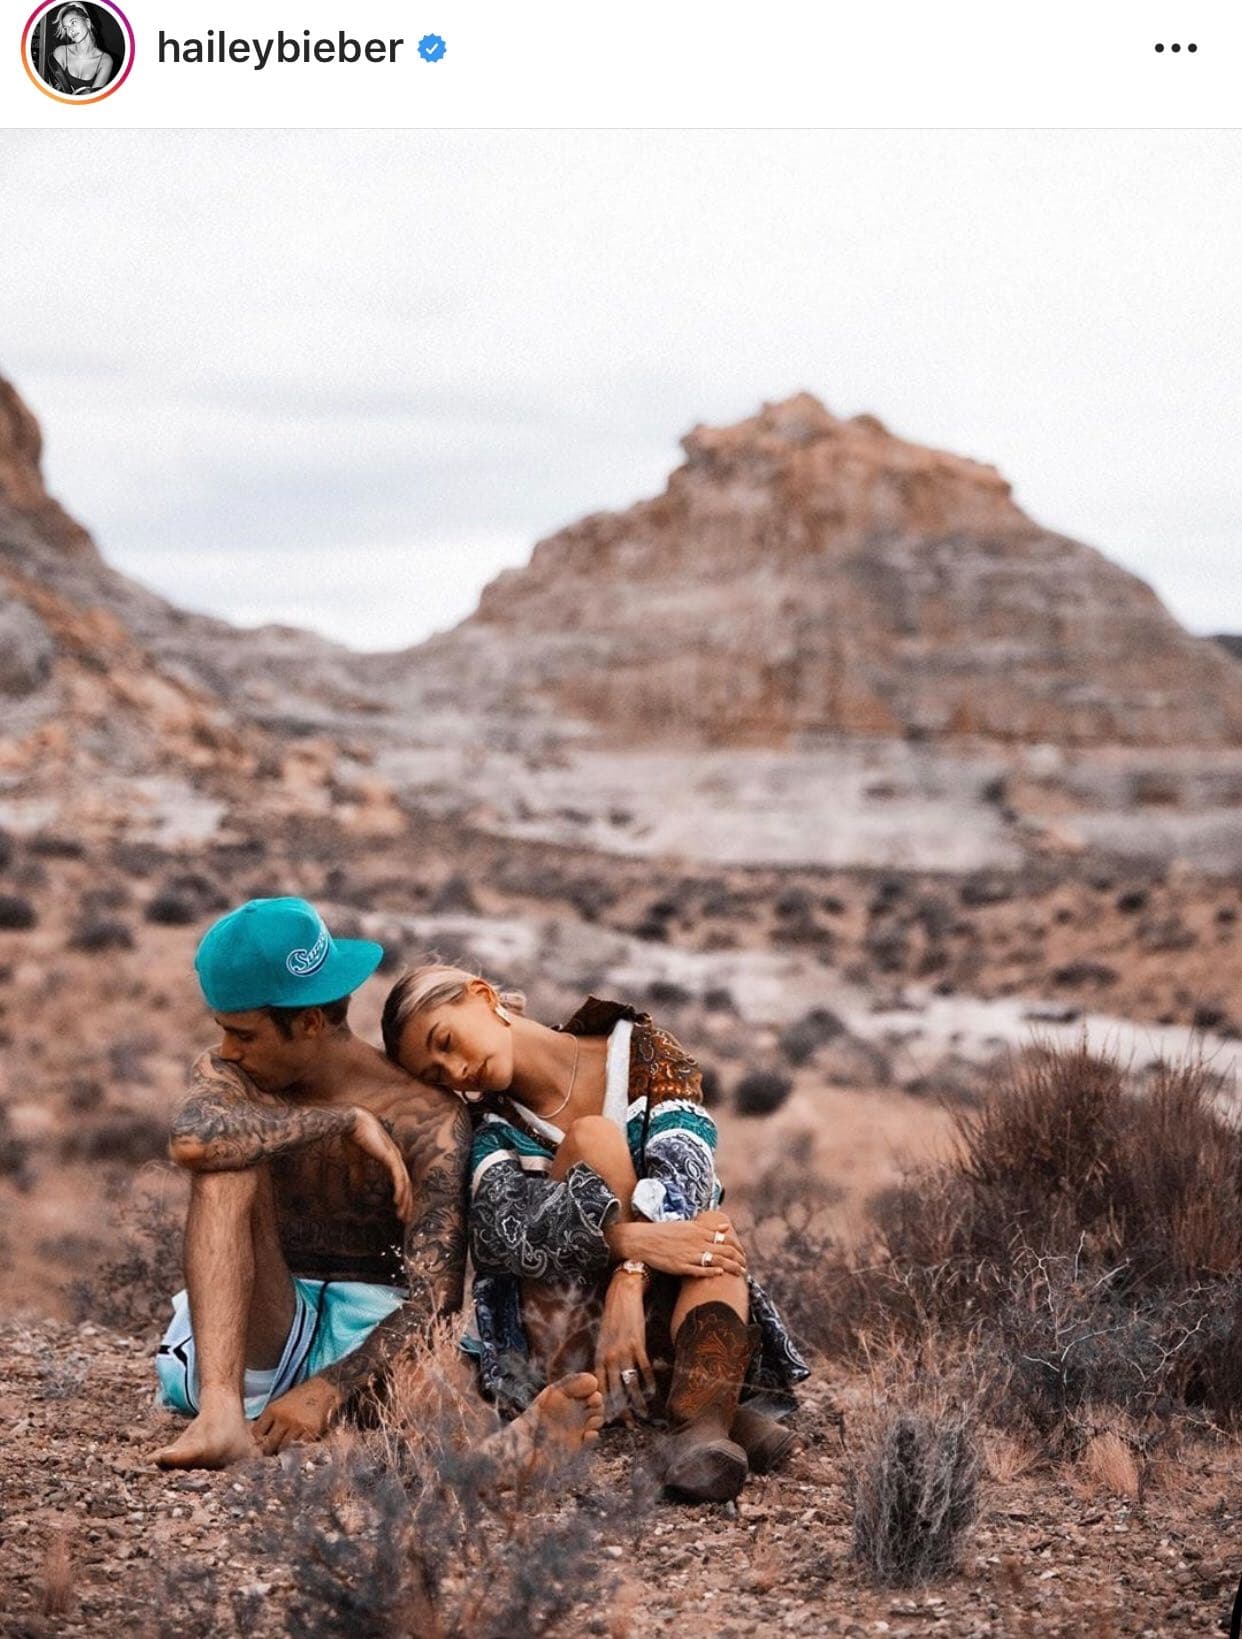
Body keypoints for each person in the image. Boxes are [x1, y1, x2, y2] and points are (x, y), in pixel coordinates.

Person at [154, 898, 604, 1471]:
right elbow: (192, 1141)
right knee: (227, 1157)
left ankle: (499, 1462)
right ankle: (219, 1416)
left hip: (368, 1336)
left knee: (441, 1377)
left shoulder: (428, 1116)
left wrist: (328, 1388)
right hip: (255, 1324)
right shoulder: (234, 1076)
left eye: (244, 1034)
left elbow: (435, 1298)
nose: (227, 1049)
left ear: (309, 1023)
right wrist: (343, 1121)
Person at [381, 966, 810, 1503]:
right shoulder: (488, 1124)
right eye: (438, 1074)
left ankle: (698, 1429)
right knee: (595, 1140)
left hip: (647, 1317)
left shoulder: (643, 1052)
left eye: (445, 1042)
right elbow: (501, 1234)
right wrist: (629, 1245)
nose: (456, 1071)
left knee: (710, 1227)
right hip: (565, 1339)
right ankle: (702, 1403)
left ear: (483, 996)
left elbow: (690, 1169)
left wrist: (631, 1276)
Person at [46, 4, 115, 95]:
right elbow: (52, 92)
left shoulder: (105, 60)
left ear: (87, 23)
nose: (70, 30)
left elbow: (93, 99)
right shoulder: (61, 53)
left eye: (73, 22)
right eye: (66, 28)